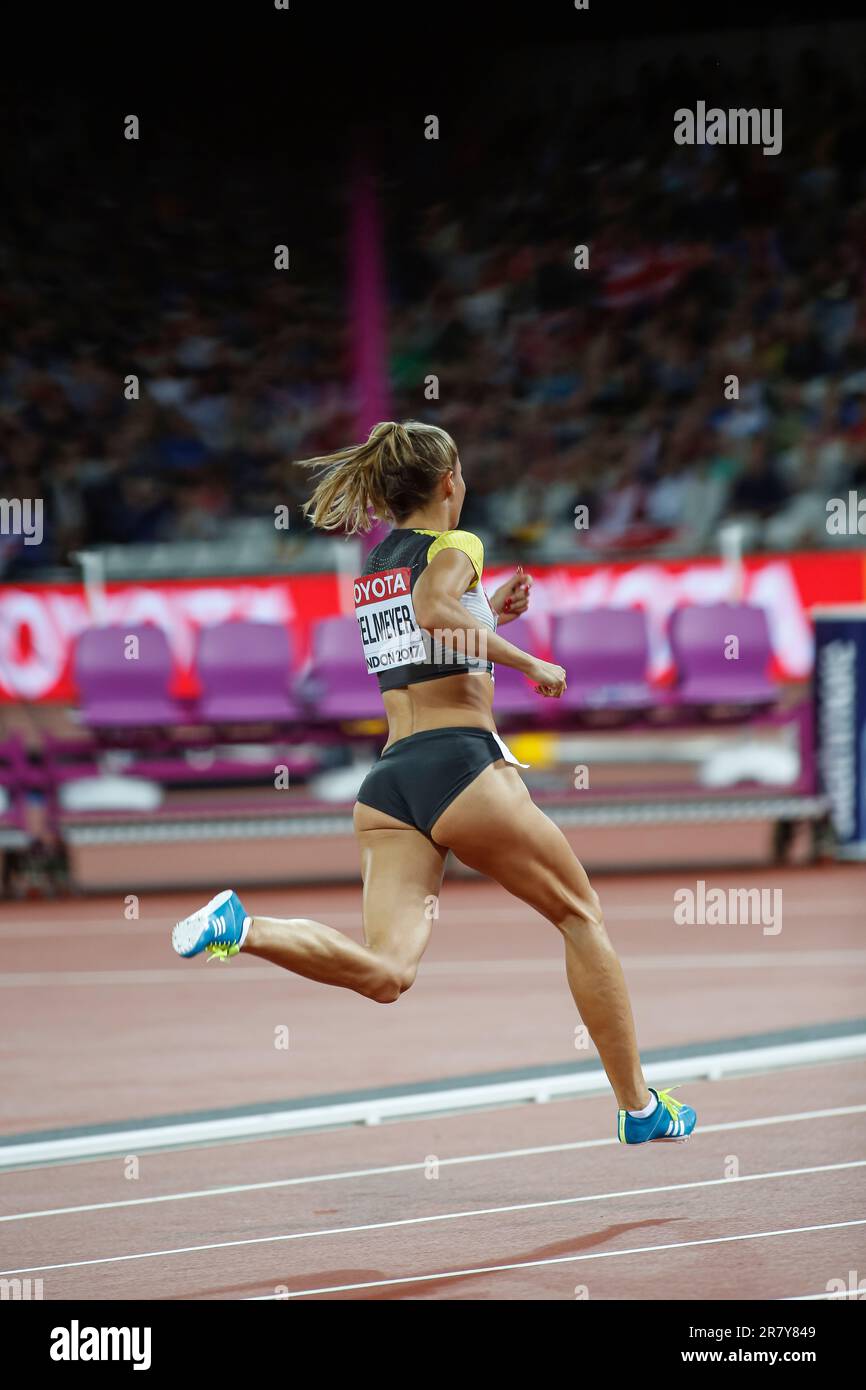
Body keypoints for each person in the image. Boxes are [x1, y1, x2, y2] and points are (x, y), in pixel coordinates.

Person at [171, 420, 696, 1143]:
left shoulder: (376, 568)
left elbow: (432, 630)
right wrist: (528, 662)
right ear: (448, 480)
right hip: (461, 766)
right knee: (580, 915)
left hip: (390, 789)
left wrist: (489, 614)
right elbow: (436, 612)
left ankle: (243, 929)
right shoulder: (460, 545)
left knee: (387, 972)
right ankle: (640, 1108)